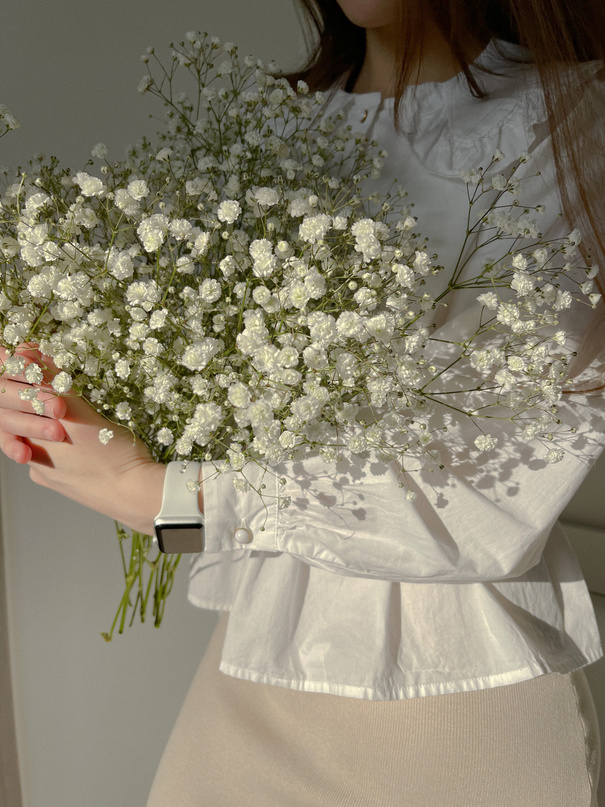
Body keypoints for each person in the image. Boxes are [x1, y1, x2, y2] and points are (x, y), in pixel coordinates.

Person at [1, 1, 605, 804]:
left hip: (460, 708)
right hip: (254, 670)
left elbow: (477, 484)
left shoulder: (570, 120)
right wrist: (81, 405)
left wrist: (161, 495)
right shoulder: (279, 128)